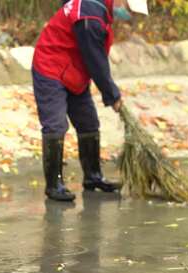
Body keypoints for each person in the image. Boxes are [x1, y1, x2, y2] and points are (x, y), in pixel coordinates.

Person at [32, 0, 149, 201]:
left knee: (89, 123)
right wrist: (112, 95)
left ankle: (93, 177)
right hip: (51, 68)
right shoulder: (90, 17)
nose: (129, 15)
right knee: (55, 125)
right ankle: (54, 185)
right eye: (129, 10)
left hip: (75, 71)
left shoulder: (98, 8)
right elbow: (96, 61)